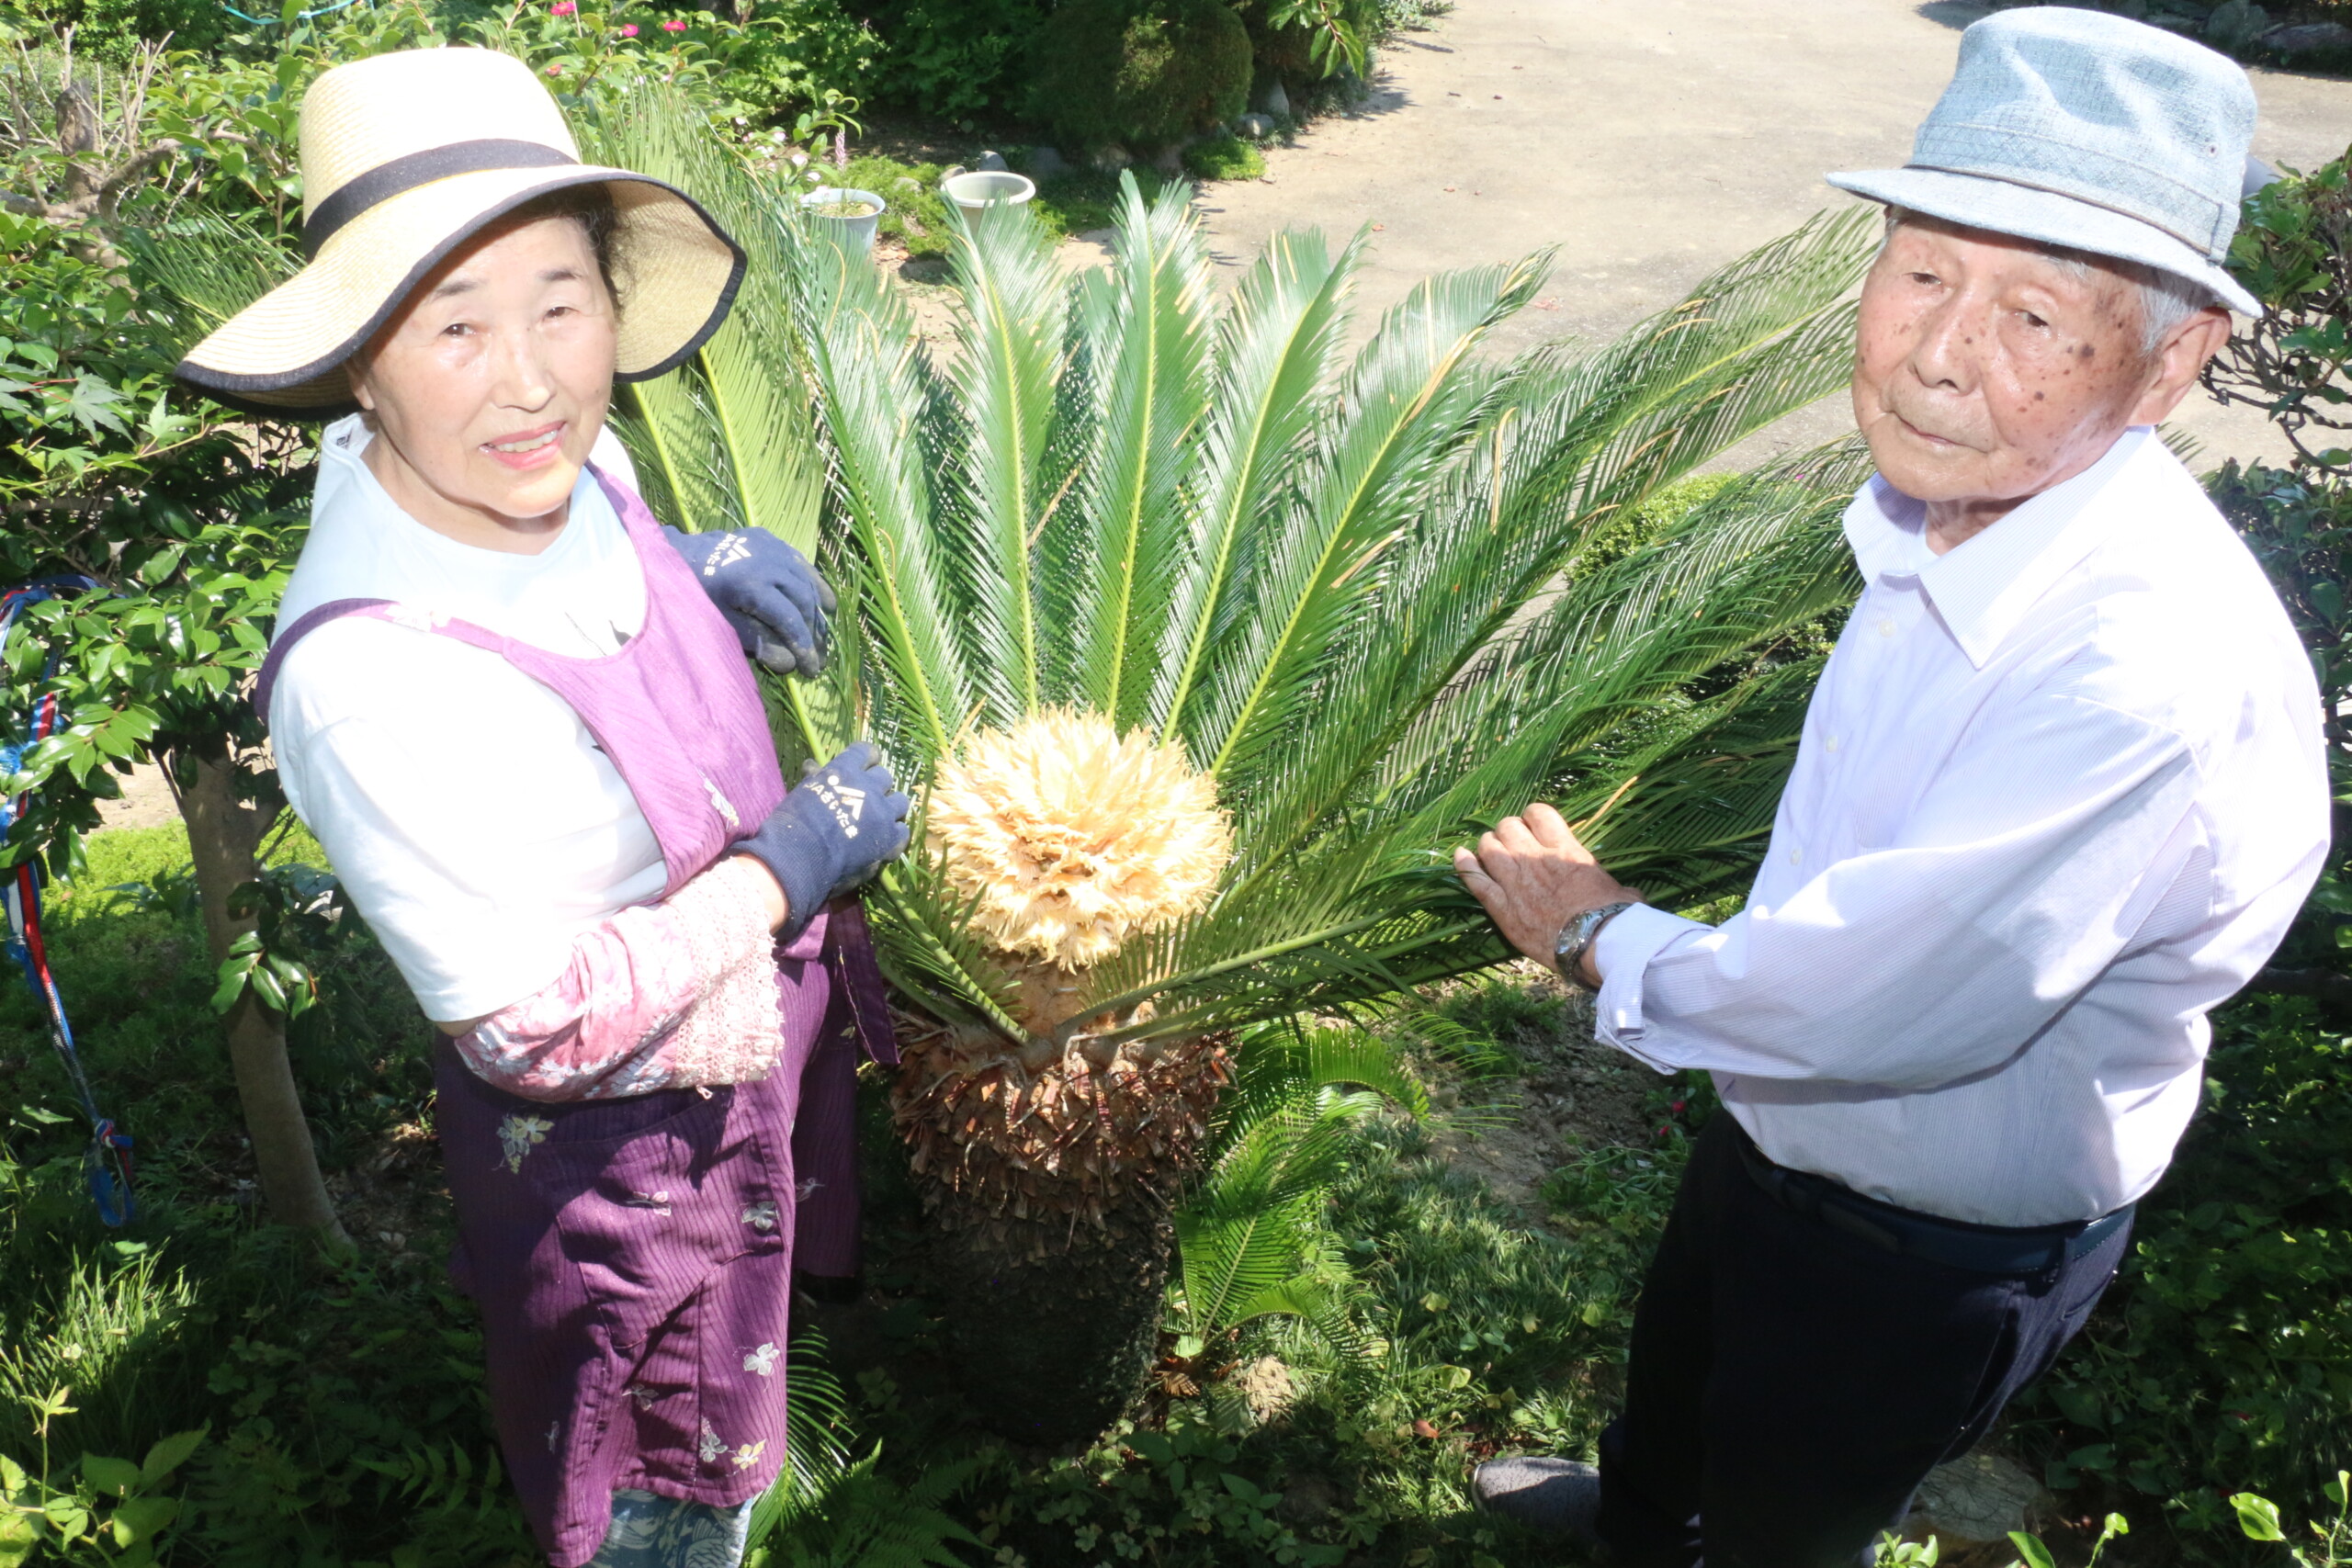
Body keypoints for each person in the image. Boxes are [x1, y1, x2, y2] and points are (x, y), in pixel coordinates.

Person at [1453, 10, 2329, 1564]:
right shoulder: (1959, 507)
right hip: (1775, 1141)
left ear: (2172, 361)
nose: (1937, 350)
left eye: (2034, 312)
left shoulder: (2137, 676)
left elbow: (1877, 1010)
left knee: (1793, 1519)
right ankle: (1643, 1518)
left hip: (1922, 1250)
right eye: (1923, 271)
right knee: (1681, 1388)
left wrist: (1602, 935)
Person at [175, 47, 911, 1568]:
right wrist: (789, 869)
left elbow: (578, 542)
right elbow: (537, 1029)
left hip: (741, 1110)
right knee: (660, 1504)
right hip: (635, 1190)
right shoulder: (374, 675)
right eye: (455, 325)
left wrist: (686, 561)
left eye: (563, 305)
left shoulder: (568, 460)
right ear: (362, 361)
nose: (534, 381)